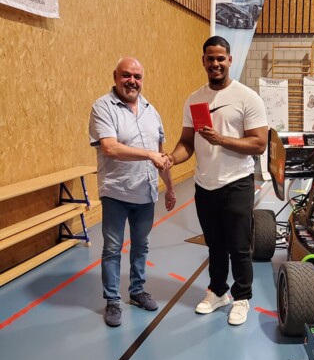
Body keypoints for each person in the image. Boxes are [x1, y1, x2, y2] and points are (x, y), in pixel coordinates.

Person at [168, 36, 268, 326]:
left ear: (229, 61)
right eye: (210, 58)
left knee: (239, 245)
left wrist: (221, 140)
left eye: (220, 58)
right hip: (205, 184)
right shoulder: (194, 99)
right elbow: (187, 142)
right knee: (214, 245)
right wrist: (172, 158)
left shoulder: (247, 98)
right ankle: (218, 291)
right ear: (203, 61)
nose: (215, 63)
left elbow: (259, 144)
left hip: (237, 182)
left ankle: (242, 297)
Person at [89, 57, 176, 327]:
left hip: (146, 193)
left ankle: (137, 291)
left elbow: (160, 155)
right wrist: (148, 154)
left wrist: (170, 187)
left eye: (137, 77)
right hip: (116, 192)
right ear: (115, 76)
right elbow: (110, 148)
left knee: (141, 246)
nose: (132, 81)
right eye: (126, 75)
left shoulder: (152, 111)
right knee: (113, 249)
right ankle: (113, 301)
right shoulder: (103, 107)